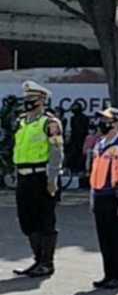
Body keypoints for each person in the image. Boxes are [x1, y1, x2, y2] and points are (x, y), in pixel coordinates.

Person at [11, 81, 64, 278]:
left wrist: (52, 179)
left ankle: (46, 263)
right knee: (27, 220)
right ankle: (37, 259)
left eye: (31, 99)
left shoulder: (50, 123)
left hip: (41, 175)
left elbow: (56, 152)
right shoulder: (22, 122)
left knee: (45, 220)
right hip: (23, 176)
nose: (27, 102)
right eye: (26, 98)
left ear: (42, 100)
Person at [88, 107, 118, 289]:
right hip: (100, 195)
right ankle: (108, 275)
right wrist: (92, 198)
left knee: (117, 239)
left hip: (115, 197)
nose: (101, 123)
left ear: (116, 123)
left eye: (106, 120)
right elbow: (94, 173)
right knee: (104, 239)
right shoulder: (99, 144)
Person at [67, 102, 90, 174]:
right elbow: (72, 128)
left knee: (81, 154)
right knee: (73, 154)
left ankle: (80, 169)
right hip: (74, 139)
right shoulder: (72, 118)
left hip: (82, 138)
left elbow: (86, 129)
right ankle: (73, 169)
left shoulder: (85, 118)